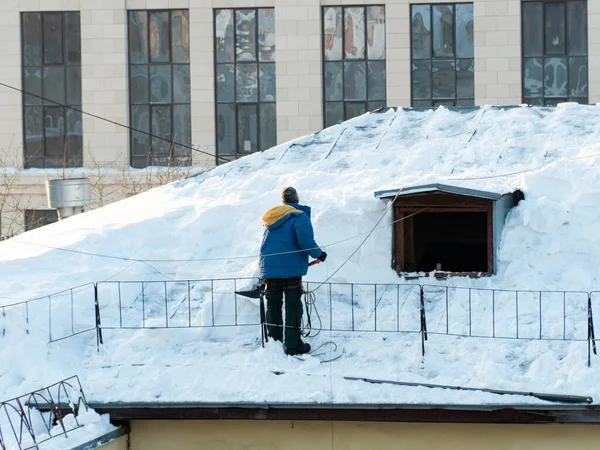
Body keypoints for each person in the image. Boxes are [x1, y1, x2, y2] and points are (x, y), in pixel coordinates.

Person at [258, 187, 327, 355]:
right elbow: (306, 241)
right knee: (293, 306)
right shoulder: (299, 216)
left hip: (269, 269)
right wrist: (320, 255)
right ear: (296, 200)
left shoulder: (272, 218)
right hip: (290, 271)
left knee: (273, 306)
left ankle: (274, 341)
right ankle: (293, 344)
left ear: (283, 201)